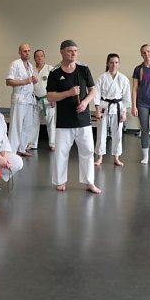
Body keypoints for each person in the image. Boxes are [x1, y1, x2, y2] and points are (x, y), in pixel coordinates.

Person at [46, 40, 101, 194]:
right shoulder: (55, 73)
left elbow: (93, 90)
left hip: (83, 120)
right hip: (64, 121)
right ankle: (60, 181)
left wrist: (85, 102)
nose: (74, 53)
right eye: (70, 51)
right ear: (62, 52)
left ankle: (89, 182)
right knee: (61, 152)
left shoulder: (83, 69)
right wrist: (68, 93)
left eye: (76, 50)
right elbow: (50, 96)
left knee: (88, 151)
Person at [94, 53, 131, 167]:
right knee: (101, 133)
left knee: (118, 134)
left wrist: (124, 112)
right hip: (104, 106)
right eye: (111, 62)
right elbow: (96, 94)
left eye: (116, 62)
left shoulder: (123, 79)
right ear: (107, 63)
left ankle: (116, 157)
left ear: (119, 64)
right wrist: (97, 109)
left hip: (118, 107)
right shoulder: (102, 77)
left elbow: (126, 97)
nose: (114, 65)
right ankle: (100, 157)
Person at [5, 43, 38, 157]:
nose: (27, 53)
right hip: (19, 98)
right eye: (24, 51)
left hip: (29, 98)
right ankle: (12, 150)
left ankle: (22, 148)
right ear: (19, 52)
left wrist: (33, 80)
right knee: (16, 126)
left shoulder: (30, 65)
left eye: (29, 51)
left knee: (27, 125)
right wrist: (24, 81)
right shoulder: (15, 64)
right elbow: (8, 81)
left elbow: (29, 80)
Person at [29, 49, 55, 151]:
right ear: (34, 58)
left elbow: (55, 85)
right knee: (34, 122)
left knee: (51, 122)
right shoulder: (31, 69)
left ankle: (53, 143)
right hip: (34, 100)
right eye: (37, 56)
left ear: (44, 57)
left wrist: (54, 98)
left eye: (41, 56)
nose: (39, 58)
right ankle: (32, 143)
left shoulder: (50, 69)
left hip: (47, 99)